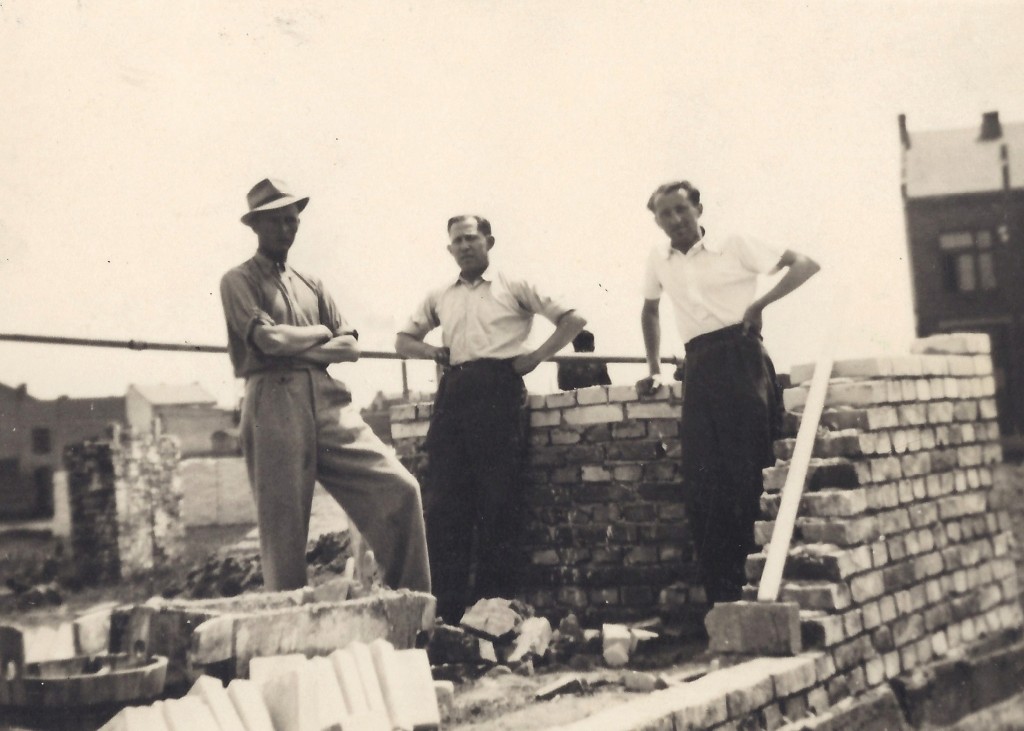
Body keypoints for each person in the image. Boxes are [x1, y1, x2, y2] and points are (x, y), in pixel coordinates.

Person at [220, 178, 431, 594]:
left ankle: (416, 612)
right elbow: (267, 340)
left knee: (400, 490)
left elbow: (350, 347)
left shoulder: (311, 282)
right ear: (256, 226)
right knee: (284, 531)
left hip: (328, 399)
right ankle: (290, 642)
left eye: (292, 220)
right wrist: (321, 334)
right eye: (277, 220)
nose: (287, 229)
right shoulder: (238, 280)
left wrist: (302, 342)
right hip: (273, 403)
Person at [395, 215, 586, 623]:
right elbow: (402, 340)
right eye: (456, 242)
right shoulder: (441, 294)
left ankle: (493, 612)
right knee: (446, 503)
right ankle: (446, 612)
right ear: (449, 249)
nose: (464, 246)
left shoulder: (514, 284)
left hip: (499, 390)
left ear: (489, 241)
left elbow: (573, 319)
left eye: (471, 238)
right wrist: (432, 353)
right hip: (453, 395)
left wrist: (534, 358)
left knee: (497, 502)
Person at [637, 180, 820, 604]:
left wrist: (758, 306)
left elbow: (806, 264)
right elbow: (649, 309)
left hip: (742, 359)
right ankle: (722, 596)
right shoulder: (658, 258)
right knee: (705, 481)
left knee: (748, 473)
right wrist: (652, 367)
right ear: (657, 221)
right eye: (665, 214)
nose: (675, 220)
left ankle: (761, 586)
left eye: (682, 210)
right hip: (698, 365)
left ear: (698, 209)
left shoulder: (734, 244)